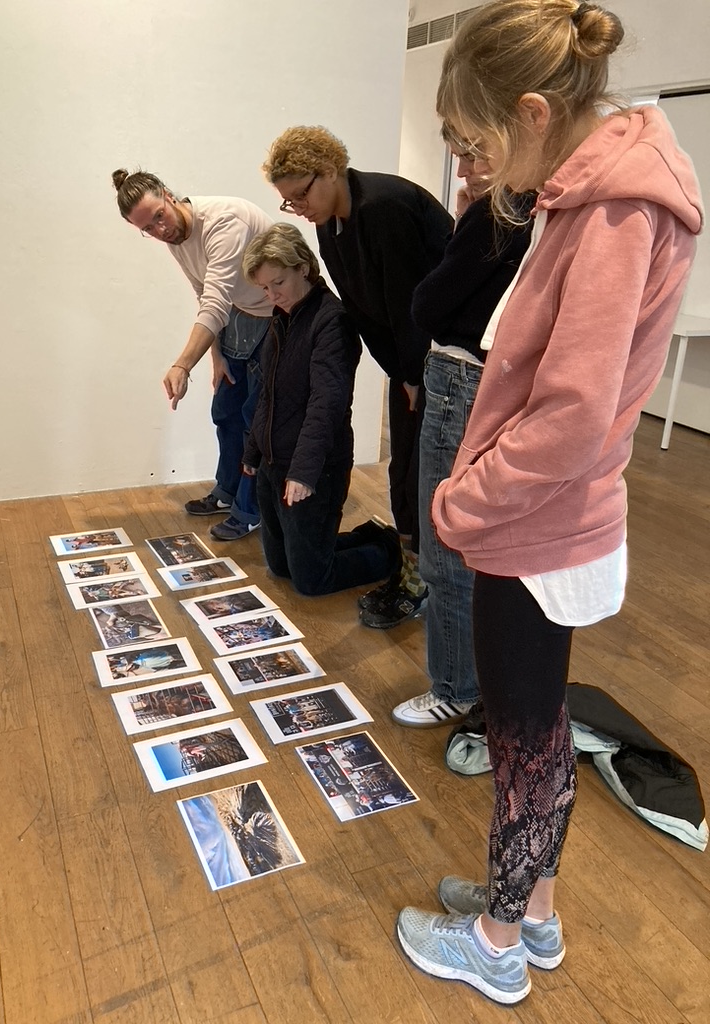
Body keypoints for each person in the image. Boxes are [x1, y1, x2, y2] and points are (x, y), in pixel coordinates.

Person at [396, 0, 701, 1006]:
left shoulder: (613, 208)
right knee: (538, 726)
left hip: (535, 521)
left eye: (480, 144)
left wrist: (462, 504)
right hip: (545, 518)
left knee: (529, 737)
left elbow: (568, 416)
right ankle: (534, 911)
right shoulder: (604, 187)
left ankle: (493, 940)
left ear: (532, 113)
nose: (480, 170)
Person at [261, 128, 454, 626]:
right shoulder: (332, 223)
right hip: (412, 362)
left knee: (422, 472)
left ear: (330, 169)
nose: (299, 208)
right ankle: (408, 564)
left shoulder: (383, 207)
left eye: (302, 194)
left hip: (443, 357)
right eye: (289, 202)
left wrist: (412, 373)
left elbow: (408, 301)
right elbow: (365, 311)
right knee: (404, 471)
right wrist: (401, 371)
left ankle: (424, 582)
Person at [391, 143, 534, 728]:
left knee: (446, 548)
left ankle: (456, 685)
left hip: (460, 378)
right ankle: (478, 678)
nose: (466, 169)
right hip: (497, 378)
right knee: (481, 540)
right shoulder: (542, 207)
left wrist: (465, 226)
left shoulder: (503, 209)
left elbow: (427, 305)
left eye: (474, 153)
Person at [112, 169, 273, 541]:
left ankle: (251, 510)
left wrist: (183, 363)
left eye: (158, 216)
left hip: (278, 315)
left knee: (256, 420)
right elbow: (205, 295)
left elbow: (215, 301)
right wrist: (215, 355)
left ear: (169, 195)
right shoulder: (176, 239)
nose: (159, 230)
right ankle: (227, 492)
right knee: (226, 411)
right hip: (238, 316)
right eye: (147, 229)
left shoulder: (223, 221)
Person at [241, 223, 401, 596]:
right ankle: (366, 536)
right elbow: (268, 392)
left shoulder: (332, 321)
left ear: (303, 267)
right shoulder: (283, 317)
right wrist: (252, 451)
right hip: (273, 463)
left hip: (314, 467)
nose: (271, 295)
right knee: (281, 567)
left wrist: (304, 472)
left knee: (312, 581)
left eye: (277, 283)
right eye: (264, 288)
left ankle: (391, 550)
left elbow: (327, 403)